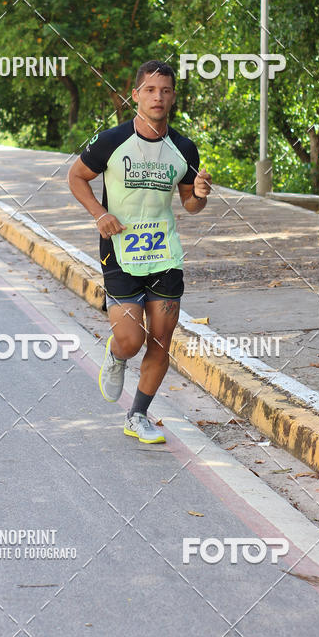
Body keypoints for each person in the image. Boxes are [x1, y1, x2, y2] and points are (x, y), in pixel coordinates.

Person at [68, 59, 212, 444]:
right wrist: (99, 214)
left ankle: (137, 415)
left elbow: (189, 205)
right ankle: (116, 357)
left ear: (173, 97)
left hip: (164, 254)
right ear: (136, 96)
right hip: (120, 250)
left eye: (165, 90)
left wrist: (198, 195)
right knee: (131, 339)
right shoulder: (112, 141)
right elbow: (76, 176)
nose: (157, 97)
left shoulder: (183, 148)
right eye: (149, 90)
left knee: (161, 340)